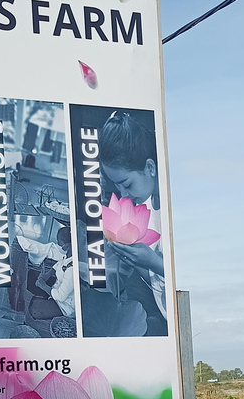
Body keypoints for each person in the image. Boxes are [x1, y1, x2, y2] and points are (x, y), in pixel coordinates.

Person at [99, 111, 167, 335]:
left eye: (126, 184)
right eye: (117, 186)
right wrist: (133, 257)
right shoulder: (149, 204)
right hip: (162, 309)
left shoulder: (175, 210)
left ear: (150, 168)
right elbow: (157, 280)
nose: (123, 194)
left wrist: (153, 261)